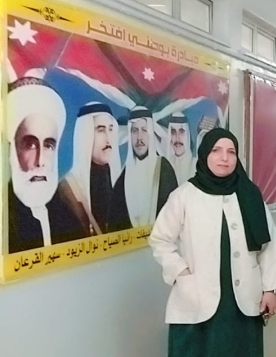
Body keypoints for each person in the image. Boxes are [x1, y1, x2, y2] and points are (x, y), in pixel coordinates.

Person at [148, 128, 276, 357]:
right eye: (216, 151)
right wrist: (181, 273)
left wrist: (270, 289)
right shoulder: (184, 196)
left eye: (231, 152)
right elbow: (160, 239)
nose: (224, 158)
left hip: (241, 305)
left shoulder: (249, 194)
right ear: (205, 155)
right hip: (196, 302)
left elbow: (270, 246)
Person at [6, 72, 91, 253]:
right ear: (12, 148)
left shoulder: (66, 212)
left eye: (49, 145)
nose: (41, 161)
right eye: (30, 145)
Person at [109, 106, 178, 231]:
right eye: (135, 131)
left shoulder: (164, 169)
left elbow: (175, 217)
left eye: (144, 130)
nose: (139, 138)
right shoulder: (121, 182)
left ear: (151, 133)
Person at [66, 102, 122, 235]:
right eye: (101, 130)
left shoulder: (121, 180)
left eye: (110, 129)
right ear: (85, 135)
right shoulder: (69, 189)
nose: (108, 138)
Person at [166, 112, 194, 185]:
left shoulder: (196, 165)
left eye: (181, 132)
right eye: (173, 132)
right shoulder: (166, 166)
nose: (177, 138)